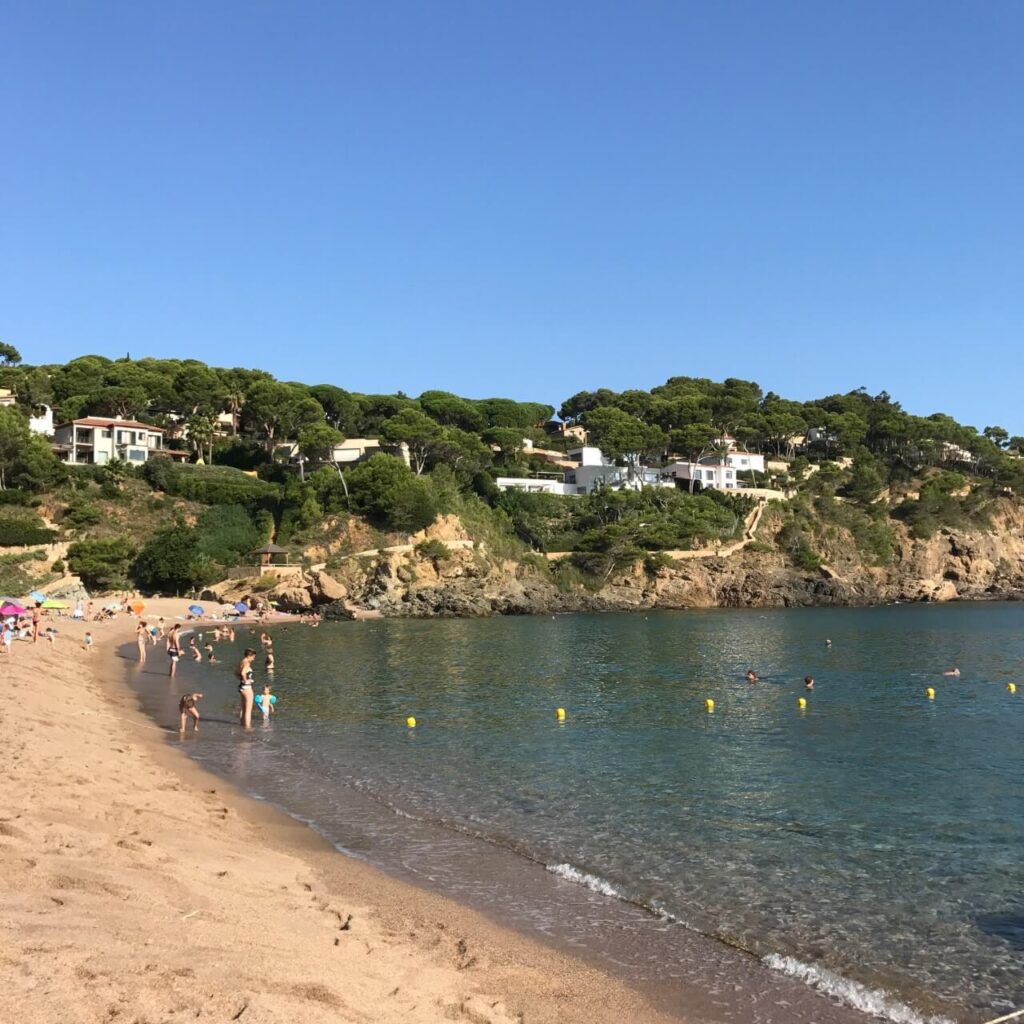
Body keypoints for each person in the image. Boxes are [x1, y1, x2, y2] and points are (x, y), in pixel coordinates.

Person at [236, 648, 257, 728]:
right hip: (247, 688)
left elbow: (236, 673)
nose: (254, 658)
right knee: (248, 710)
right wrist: (246, 681)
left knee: (243, 708)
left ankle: (242, 725)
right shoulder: (247, 663)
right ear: (249, 655)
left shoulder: (242, 661)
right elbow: (243, 672)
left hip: (241, 687)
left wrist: (242, 680)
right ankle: (248, 728)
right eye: (253, 656)